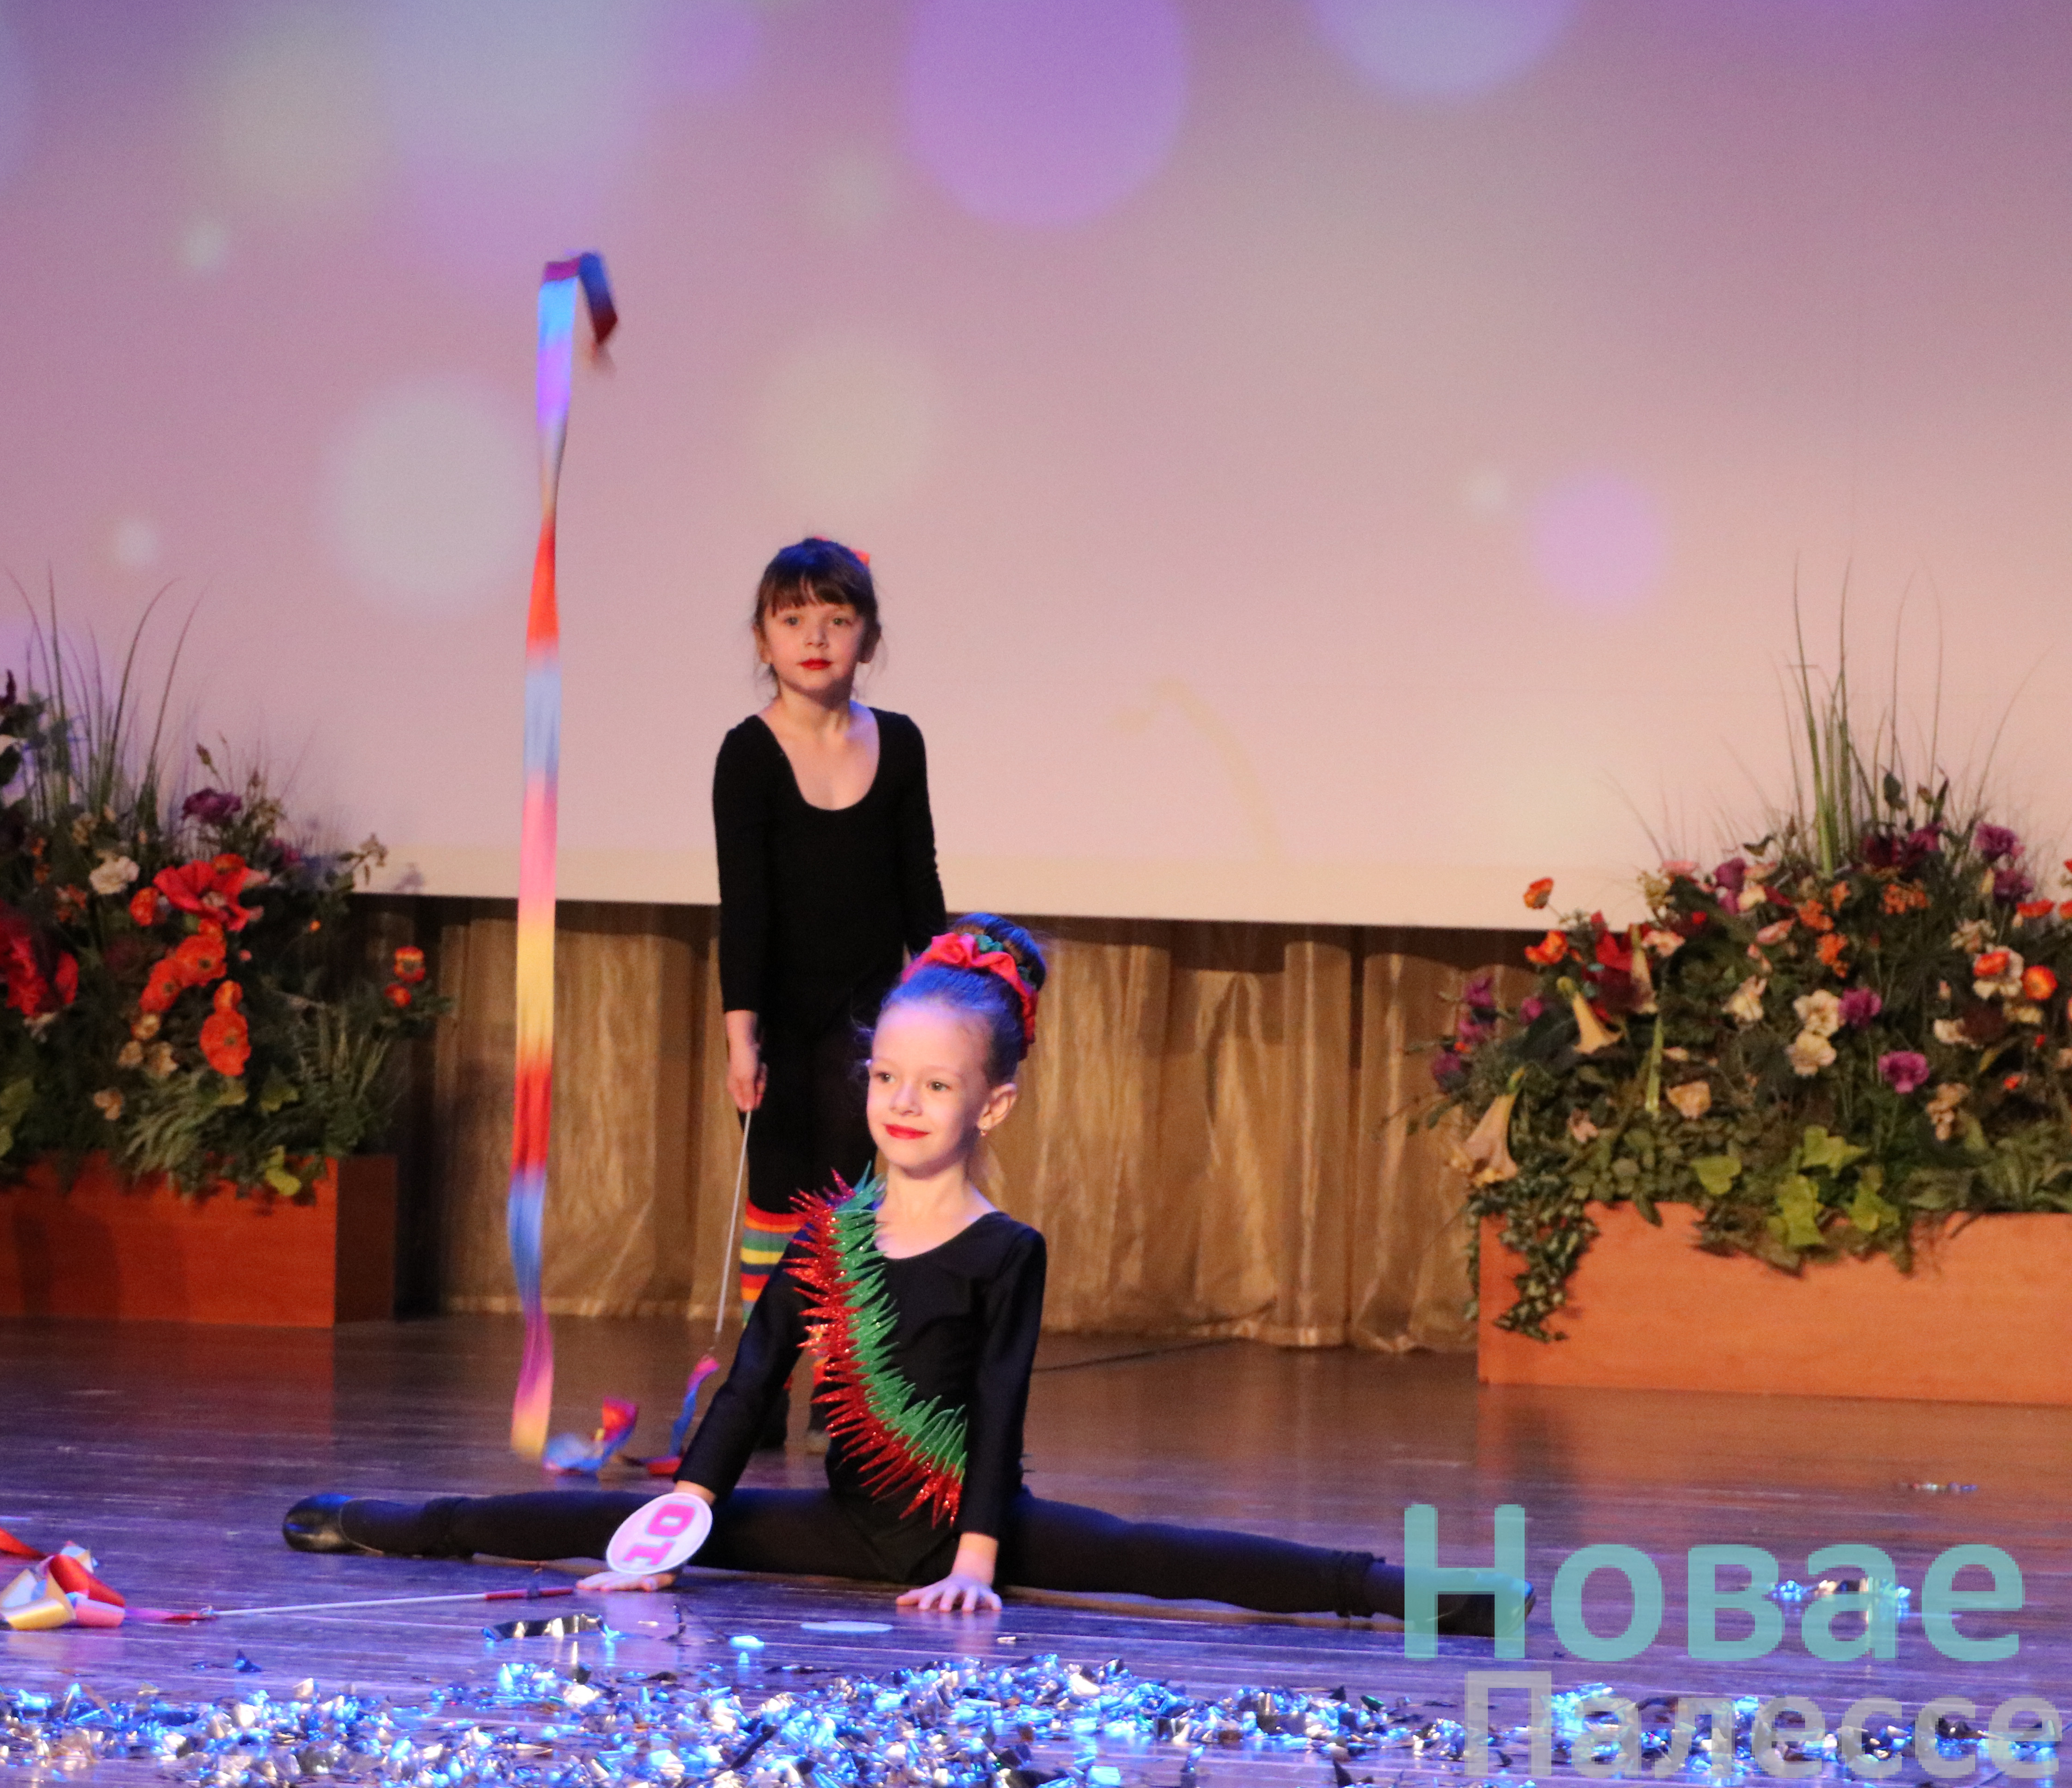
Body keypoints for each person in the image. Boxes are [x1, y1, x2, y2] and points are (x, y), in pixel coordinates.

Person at [283, 919, 1516, 1632]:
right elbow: (749, 1388)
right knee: (573, 1528)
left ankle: (1425, 1595)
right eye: (887, 1077)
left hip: (966, 1527)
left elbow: (998, 1411)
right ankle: (386, 1522)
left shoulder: (1007, 1250)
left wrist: (977, 1560)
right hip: (843, 1522)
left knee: (1169, 1555)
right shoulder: (827, 1235)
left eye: (937, 1084)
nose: (904, 1102)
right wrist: (676, 1522)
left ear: (995, 1103)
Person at [713, 538, 944, 1446]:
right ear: (763, 638)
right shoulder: (748, 754)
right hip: (780, 1019)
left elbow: (919, 885)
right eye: (793, 618)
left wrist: (938, 1006)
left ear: (868, 638)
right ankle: (763, 1389)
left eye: (837, 619)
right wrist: (741, 1035)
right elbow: (745, 905)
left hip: (871, 1017)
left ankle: (838, 1391)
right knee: (777, 1200)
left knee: (851, 1205)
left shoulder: (901, 742)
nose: (815, 638)